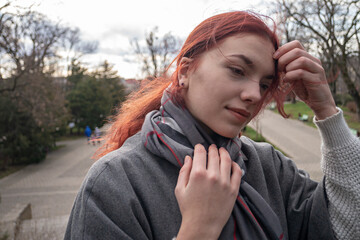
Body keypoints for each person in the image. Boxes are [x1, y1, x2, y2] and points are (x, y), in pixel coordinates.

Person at [64, 11, 359, 240]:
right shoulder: (116, 182)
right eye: (237, 70)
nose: (254, 94)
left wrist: (327, 111)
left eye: (265, 84)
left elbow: (345, 227)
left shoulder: (270, 167)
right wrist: (198, 229)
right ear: (185, 71)